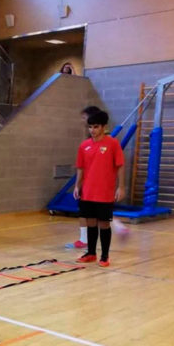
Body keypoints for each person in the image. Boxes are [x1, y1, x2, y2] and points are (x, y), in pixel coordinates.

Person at [73, 111, 125, 267]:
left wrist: (121, 187)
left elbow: (120, 166)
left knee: (104, 224)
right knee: (90, 222)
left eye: (96, 127)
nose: (92, 130)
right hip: (87, 192)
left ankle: (105, 256)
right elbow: (80, 168)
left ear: (104, 127)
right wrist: (77, 186)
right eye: (90, 127)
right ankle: (91, 253)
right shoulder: (84, 145)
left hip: (105, 192)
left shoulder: (113, 144)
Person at [66, 105, 102, 249]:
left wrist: (78, 184)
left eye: (84, 117)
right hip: (93, 181)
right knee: (95, 212)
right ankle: (86, 240)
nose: (83, 121)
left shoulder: (97, 142)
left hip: (91, 182)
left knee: (86, 211)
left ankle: (84, 240)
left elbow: (83, 166)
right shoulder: (90, 141)